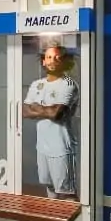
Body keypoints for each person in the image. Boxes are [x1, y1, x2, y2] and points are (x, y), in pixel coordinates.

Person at [22, 44, 80, 200]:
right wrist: (46, 110)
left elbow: (56, 113)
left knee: (66, 191)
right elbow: (25, 111)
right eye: (48, 57)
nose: (52, 61)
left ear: (63, 62)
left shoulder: (68, 84)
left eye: (57, 57)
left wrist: (38, 108)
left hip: (61, 147)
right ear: (43, 61)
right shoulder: (37, 84)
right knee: (49, 186)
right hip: (42, 147)